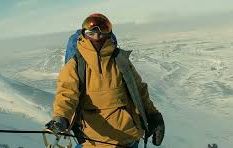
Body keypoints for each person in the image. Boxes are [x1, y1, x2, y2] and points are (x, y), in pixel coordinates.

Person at [46, 13, 164, 147]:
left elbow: (139, 90)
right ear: (84, 35)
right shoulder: (75, 66)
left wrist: (154, 115)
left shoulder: (120, 61)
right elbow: (67, 94)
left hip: (129, 138)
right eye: (92, 33)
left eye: (102, 33)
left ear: (109, 34)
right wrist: (60, 117)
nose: (97, 37)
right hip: (94, 142)